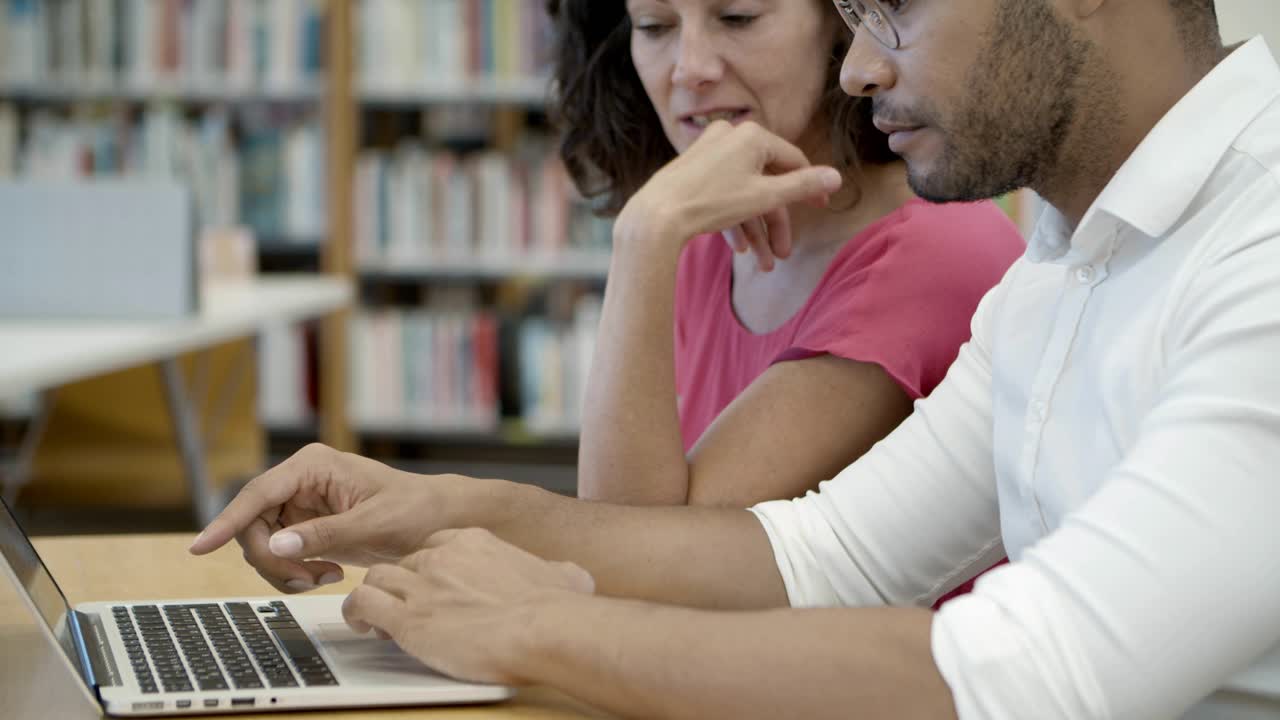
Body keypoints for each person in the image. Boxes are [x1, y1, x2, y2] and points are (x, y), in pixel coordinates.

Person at [191, 0, 1280, 717]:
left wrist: (530, 624)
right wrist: (441, 509)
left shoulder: (1259, 248)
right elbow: (827, 556)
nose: (857, 67)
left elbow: (1035, 672)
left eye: (890, 5)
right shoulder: (1058, 264)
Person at [553, 0, 1024, 508]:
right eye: (653, 27)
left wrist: (643, 236)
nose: (690, 68)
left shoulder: (935, 254)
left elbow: (631, 544)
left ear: (843, 30)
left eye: (738, 19)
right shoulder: (705, 235)